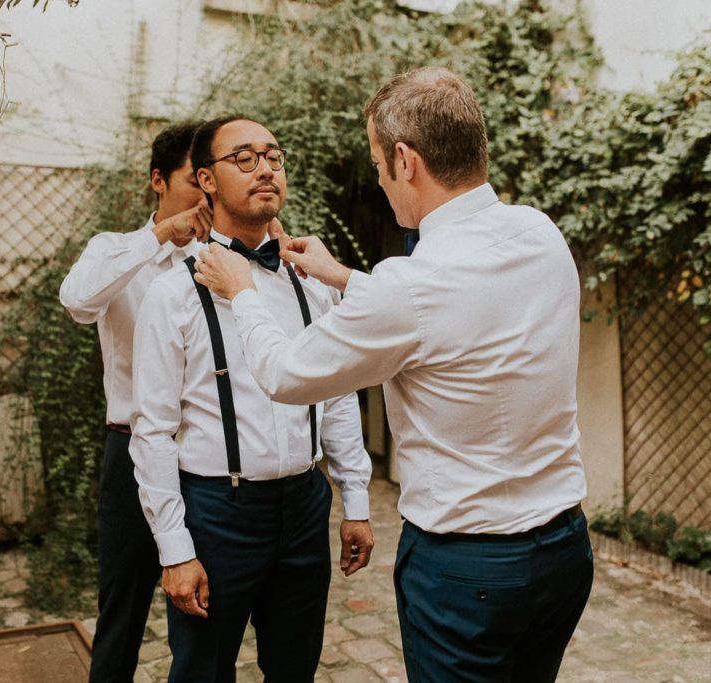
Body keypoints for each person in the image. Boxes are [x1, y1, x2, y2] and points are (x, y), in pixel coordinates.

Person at [193, 68, 593, 682]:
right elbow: (454, 311)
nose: (380, 179)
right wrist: (341, 275)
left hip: (467, 573)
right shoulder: (538, 232)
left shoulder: (413, 286)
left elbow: (284, 374)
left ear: (406, 160)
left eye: (379, 164)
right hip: (565, 552)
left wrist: (243, 290)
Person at [129, 116, 375, 682]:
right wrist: (174, 548)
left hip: (306, 505)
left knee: (295, 670)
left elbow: (337, 393)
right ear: (207, 180)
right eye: (244, 158)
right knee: (202, 672)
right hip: (218, 513)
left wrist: (354, 500)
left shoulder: (312, 279)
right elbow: (153, 429)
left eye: (274, 156)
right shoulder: (172, 292)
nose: (265, 168)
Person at [59, 120, 212, 683]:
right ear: (158, 181)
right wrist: (158, 239)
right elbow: (77, 300)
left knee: (203, 614)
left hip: (205, 458)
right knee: (121, 608)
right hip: (131, 454)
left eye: (210, 178)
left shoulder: (225, 261)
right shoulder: (115, 250)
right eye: (194, 179)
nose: (206, 192)